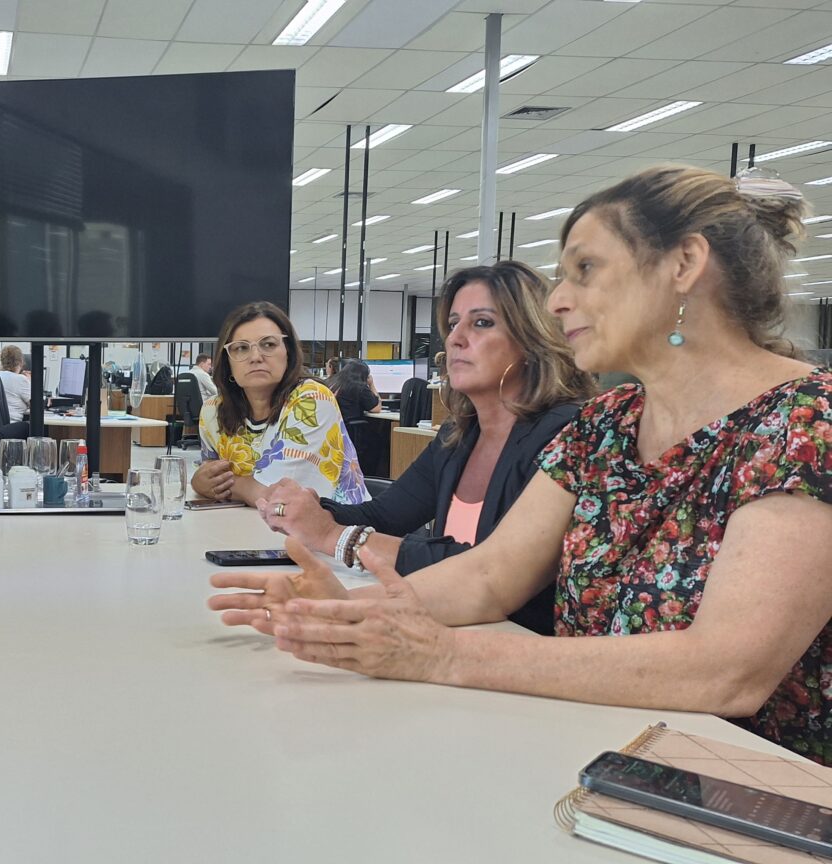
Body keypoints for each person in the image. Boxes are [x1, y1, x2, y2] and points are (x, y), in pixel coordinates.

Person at [210, 165, 832, 763]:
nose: (558, 301)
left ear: (684, 266)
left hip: (754, 788)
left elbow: (728, 670)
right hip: (603, 745)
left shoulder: (808, 422)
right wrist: (346, 611)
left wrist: (443, 655)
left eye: (585, 269)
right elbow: (489, 575)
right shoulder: (606, 425)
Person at [255, 261, 595, 634]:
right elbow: (385, 516)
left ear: (533, 339)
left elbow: (481, 569)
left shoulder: (565, 435)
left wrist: (332, 535)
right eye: (453, 324)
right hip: (451, 630)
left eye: (481, 323)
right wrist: (309, 509)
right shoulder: (459, 435)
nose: (455, 339)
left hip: (518, 646)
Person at [190, 301, 367, 507]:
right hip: (249, 526)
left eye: (269, 345)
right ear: (227, 360)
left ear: (288, 352)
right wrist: (202, 482)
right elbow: (210, 479)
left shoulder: (312, 399)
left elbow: (281, 498)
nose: (255, 357)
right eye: (241, 348)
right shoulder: (214, 410)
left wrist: (215, 485)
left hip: (331, 531)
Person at [0, 345, 32, 422]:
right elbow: (36, 407)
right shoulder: (21, 379)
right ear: (21, 362)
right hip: (13, 425)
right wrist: (29, 381)